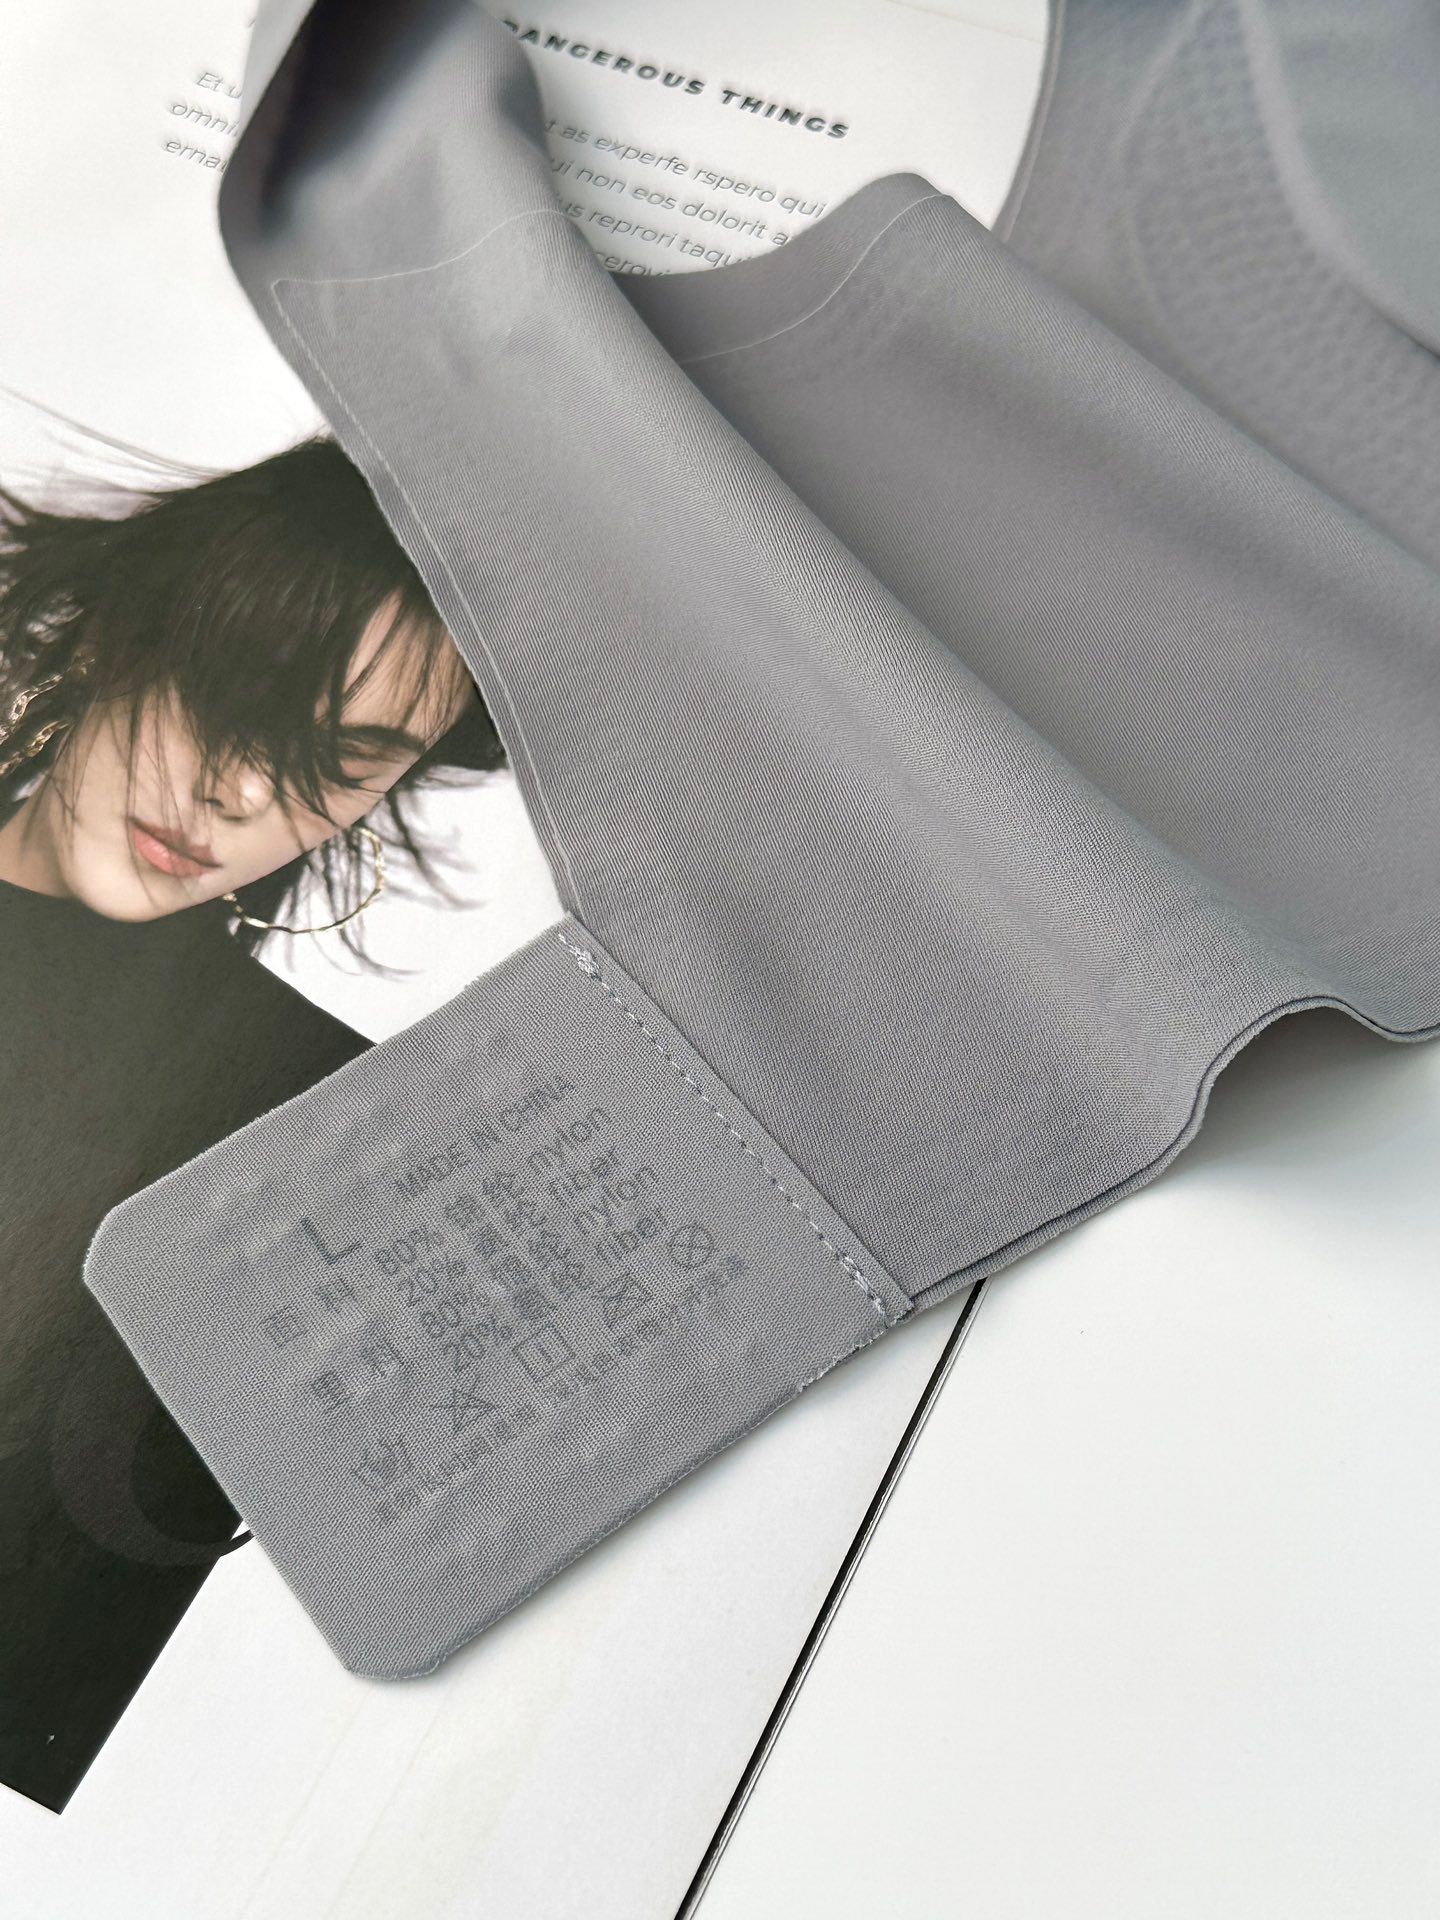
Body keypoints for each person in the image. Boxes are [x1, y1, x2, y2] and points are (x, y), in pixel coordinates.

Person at [0, 436, 506, 1811]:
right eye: (234, 692)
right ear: (116, 628)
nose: (241, 792)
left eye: (342, 758)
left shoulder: (299, 1141)